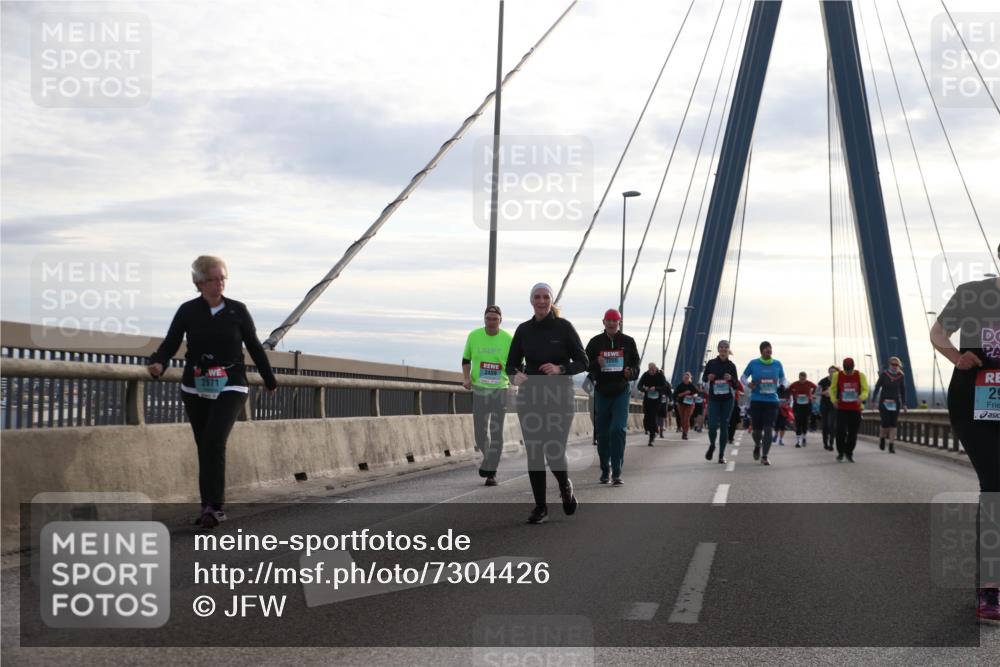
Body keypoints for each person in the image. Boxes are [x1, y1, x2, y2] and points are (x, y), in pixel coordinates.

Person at [147, 256, 277, 530]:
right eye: (214, 279)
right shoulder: (188, 311)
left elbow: (253, 346)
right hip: (195, 384)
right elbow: (171, 342)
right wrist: (159, 362)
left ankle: (213, 507)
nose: (220, 284)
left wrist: (269, 378)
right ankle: (207, 505)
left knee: (214, 441)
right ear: (199, 282)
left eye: (223, 278)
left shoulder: (237, 310)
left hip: (231, 382)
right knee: (204, 444)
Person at [930, 249, 1000, 623]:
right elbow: (938, 331)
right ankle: (991, 587)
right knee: (995, 483)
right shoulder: (973, 293)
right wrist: (957, 356)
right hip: (976, 403)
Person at [507, 283, 587, 524]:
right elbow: (510, 364)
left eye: (545, 297)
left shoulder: (564, 328)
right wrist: (515, 376)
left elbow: (583, 362)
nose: (541, 301)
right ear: (531, 300)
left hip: (559, 397)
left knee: (553, 451)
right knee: (534, 452)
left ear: (551, 301)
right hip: (530, 397)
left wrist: (560, 368)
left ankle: (564, 485)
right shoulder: (523, 330)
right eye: (537, 297)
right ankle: (540, 507)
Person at [586, 309, 640, 483]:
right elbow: (585, 365)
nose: (611, 323)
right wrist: (596, 363)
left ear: (619, 322)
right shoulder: (595, 343)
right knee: (602, 434)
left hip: (620, 391)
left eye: (614, 320)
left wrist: (630, 372)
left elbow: (636, 368)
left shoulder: (628, 342)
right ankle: (605, 469)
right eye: (608, 320)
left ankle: (617, 471)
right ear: (603, 322)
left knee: (617, 430)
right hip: (602, 391)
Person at [462, 305, 513, 486]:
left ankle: (491, 472)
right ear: (484, 319)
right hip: (480, 389)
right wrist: (466, 378)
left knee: (496, 431)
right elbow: (466, 359)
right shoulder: (474, 336)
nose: (491, 322)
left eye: (495, 319)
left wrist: (517, 379)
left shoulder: (508, 338)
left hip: (500, 389)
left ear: (500, 320)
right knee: (480, 433)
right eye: (488, 318)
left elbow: (516, 363)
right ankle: (489, 460)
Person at [740, 341, 787, 466]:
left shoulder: (777, 364)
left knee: (768, 429)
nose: (768, 350)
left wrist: (783, 385)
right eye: (766, 349)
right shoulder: (753, 363)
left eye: (770, 348)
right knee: (756, 431)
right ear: (761, 351)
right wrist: (747, 384)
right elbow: (743, 377)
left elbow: (783, 378)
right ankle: (757, 444)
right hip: (756, 400)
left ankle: (765, 456)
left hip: (772, 401)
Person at [702, 339, 739, 464]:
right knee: (712, 426)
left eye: (726, 347)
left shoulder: (732, 366)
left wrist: (731, 378)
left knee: (724, 426)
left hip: (727, 400)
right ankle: (712, 445)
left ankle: (721, 455)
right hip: (714, 399)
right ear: (718, 349)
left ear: (728, 350)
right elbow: (704, 378)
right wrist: (708, 377)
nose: (723, 349)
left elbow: (736, 385)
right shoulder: (711, 363)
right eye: (721, 347)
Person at [830, 357, 868, 462]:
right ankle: (840, 452)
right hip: (842, 408)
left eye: (850, 370)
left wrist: (862, 397)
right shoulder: (837, 376)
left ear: (853, 367)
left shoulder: (860, 376)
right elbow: (832, 389)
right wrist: (834, 400)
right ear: (843, 368)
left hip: (855, 408)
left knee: (853, 433)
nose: (848, 372)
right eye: (846, 370)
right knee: (840, 431)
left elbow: (865, 390)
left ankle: (849, 452)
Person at [870, 356, 907, 454]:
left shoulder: (901, 376)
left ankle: (891, 445)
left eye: (896, 365)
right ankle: (882, 438)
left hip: (895, 402)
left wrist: (904, 404)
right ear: (889, 364)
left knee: (893, 424)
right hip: (884, 402)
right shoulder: (884, 374)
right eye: (893, 364)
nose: (895, 366)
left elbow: (903, 390)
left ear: (899, 365)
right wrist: (873, 400)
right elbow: (877, 387)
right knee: (885, 423)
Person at [637, 362, 669, 447]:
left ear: (655, 368)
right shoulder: (645, 375)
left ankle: (651, 438)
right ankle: (654, 430)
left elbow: (665, 387)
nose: (651, 371)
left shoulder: (660, 375)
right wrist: (645, 389)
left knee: (653, 416)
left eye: (652, 369)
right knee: (647, 417)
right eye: (649, 369)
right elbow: (639, 386)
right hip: (647, 399)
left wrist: (656, 388)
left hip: (657, 400)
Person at [788, 372, 818, 447]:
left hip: (807, 405)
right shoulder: (795, 384)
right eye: (801, 378)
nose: (802, 380)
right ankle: (798, 441)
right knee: (798, 423)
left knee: (805, 422)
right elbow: (789, 389)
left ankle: (804, 437)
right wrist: (793, 394)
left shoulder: (809, 383)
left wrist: (812, 394)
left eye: (803, 379)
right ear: (799, 377)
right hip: (797, 405)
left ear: (806, 378)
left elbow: (816, 387)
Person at [818, 366, 839, 450]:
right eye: (831, 371)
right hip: (824, 405)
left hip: (834, 405)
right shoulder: (823, 381)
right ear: (828, 372)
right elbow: (817, 392)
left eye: (834, 372)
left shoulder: (839, 381)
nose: (832, 373)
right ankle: (825, 443)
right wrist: (824, 393)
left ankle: (831, 443)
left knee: (832, 424)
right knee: (825, 425)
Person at [673, 372, 698, 440]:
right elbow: (676, 395)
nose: (686, 379)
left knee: (686, 418)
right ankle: (684, 430)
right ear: (683, 378)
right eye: (685, 378)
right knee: (682, 418)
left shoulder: (692, 386)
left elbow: (696, 393)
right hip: (681, 404)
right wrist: (685, 393)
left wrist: (693, 396)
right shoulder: (680, 385)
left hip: (690, 404)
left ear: (690, 378)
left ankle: (685, 433)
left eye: (687, 378)